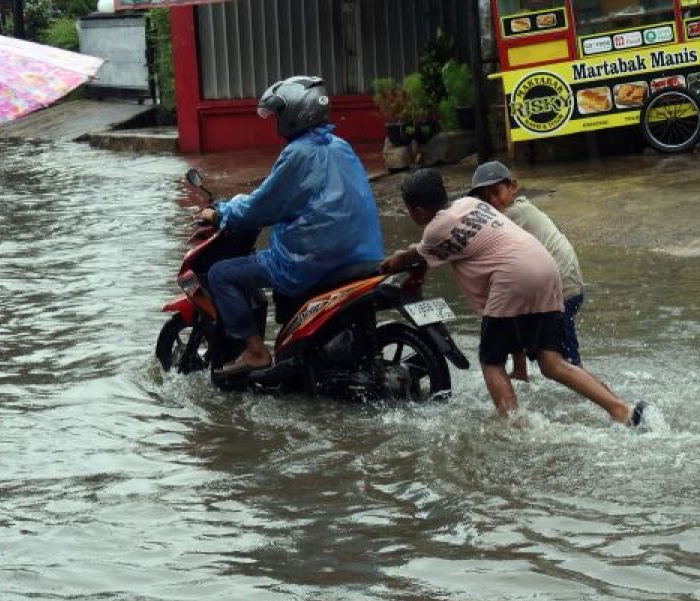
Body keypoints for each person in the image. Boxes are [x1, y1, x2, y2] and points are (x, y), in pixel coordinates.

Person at [381, 168, 647, 427]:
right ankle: (621, 410)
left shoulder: (435, 231)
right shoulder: (470, 204)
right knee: (552, 362)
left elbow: (418, 255)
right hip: (545, 267)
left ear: (416, 211)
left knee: (490, 361)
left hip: (514, 276)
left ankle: (519, 430)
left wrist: (398, 259)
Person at [198, 75, 384, 376]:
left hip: (309, 261)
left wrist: (222, 213)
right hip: (359, 255)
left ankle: (256, 352)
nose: (277, 122)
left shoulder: (299, 153)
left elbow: (264, 205)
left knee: (221, 275)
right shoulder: (340, 146)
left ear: (295, 114)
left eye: (279, 114)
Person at [468, 161, 584, 381]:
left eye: (496, 192)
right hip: (554, 285)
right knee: (511, 311)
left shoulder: (513, 213)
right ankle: (520, 371)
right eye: (485, 198)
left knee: (565, 361)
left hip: (563, 290)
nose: (492, 201)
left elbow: (473, 238)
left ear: (513, 187)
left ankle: (599, 398)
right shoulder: (517, 208)